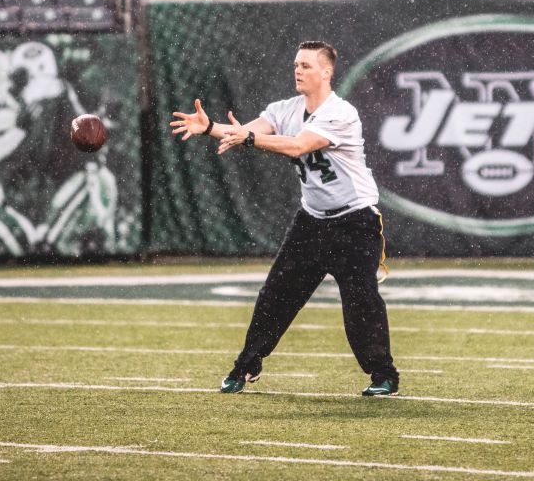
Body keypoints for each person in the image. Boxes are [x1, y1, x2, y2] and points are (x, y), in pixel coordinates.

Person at [170, 41, 399, 396]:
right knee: (275, 296)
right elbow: (246, 130)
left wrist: (248, 138)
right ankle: (245, 366)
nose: (298, 70)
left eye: (307, 65)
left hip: (355, 221)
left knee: (361, 300)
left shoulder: (341, 112)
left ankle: (383, 375)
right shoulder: (284, 109)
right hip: (312, 220)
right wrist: (211, 126)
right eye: (296, 64)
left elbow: (296, 146)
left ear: (327, 72)